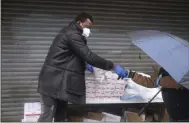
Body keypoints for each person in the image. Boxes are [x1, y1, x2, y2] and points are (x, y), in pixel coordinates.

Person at [37, 12, 127, 122]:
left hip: (59, 82)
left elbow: (69, 56)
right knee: (47, 115)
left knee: (60, 115)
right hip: (52, 82)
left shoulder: (73, 33)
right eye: (87, 26)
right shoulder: (72, 34)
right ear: (79, 23)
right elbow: (89, 56)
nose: (89, 30)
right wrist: (113, 66)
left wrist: (84, 64)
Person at [124, 66, 189, 122]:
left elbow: (180, 83)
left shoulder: (185, 68)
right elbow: (152, 82)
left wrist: (162, 81)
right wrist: (131, 74)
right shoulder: (165, 68)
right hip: (172, 113)